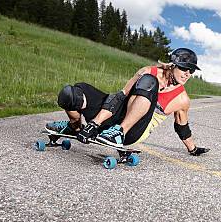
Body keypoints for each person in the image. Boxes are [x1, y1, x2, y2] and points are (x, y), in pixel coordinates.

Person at [46, 48, 209, 156]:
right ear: (172, 65)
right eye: (184, 68)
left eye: (191, 70)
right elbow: (120, 96)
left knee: (149, 82)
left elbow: (182, 127)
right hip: (114, 115)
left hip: (133, 130)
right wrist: (94, 124)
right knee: (73, 93)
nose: (188, 74)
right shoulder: (147, 71)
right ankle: (74, 126)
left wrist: (193, 149)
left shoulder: (182, 99)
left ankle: (119, 132)